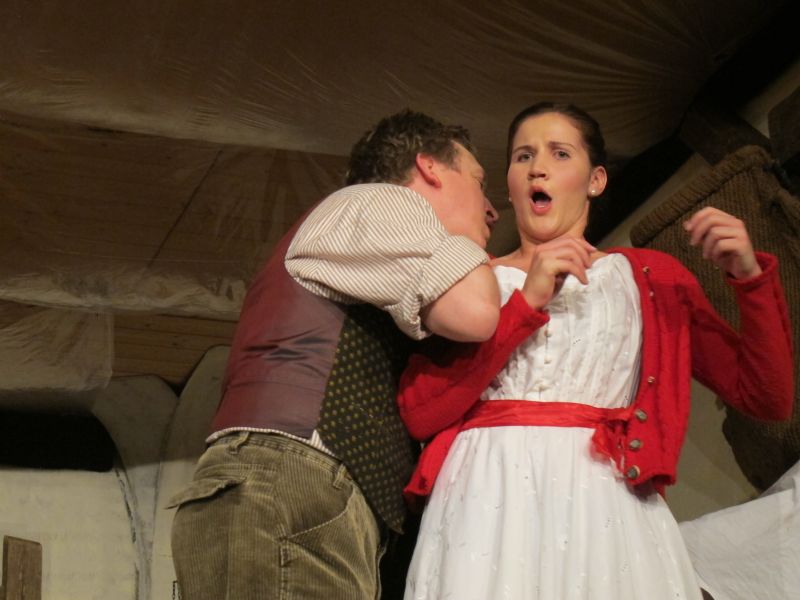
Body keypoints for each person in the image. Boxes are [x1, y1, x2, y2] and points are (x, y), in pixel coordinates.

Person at [398, 102, 794, 599]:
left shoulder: (651, 278)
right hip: (483, 503)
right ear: (511, 186)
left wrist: (750, 279)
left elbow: (765, 397)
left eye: (560, 153)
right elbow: (421, 412)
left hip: (607, 507)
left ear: (596, 180)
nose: (537, 167)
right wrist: (526, 303)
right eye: (523, 156)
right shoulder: (468, 281)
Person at [168, 109, 502, 600]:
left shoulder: (372, 248)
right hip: (291, 481)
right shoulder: (380, 200)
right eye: (478, 182)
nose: (492, 210)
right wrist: (487, 258)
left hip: (289, 489)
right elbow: (476, 311)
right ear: (430, 167)